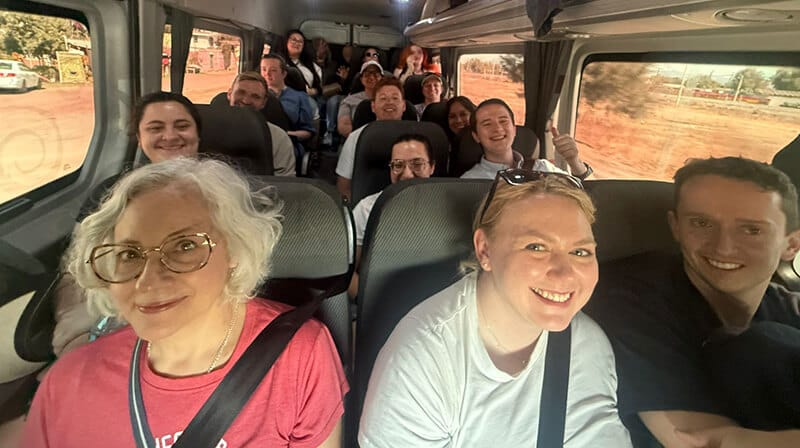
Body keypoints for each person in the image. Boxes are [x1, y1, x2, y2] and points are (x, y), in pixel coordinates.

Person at [22, 158, 348, 446]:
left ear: (234, 250)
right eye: (129, 254)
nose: (148, 280)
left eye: (185, 247)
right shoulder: (68, 384)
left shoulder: (300, 355)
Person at [359, 164, 632, 447]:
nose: (564, 273)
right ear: (485, 250)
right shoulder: (423, 360)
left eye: (580, 251)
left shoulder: (587, 346)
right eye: (536, 247)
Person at [584, 157, 800, 448]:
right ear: (675, 226)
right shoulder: (627, 297)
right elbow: (698, 443)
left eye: (751, 230)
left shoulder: (788, 307)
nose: (723, 246)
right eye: (701, 223)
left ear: (791, 245)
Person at [347, 134, 436, 298]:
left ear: (431, 167)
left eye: (417, 164)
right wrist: (368, 304)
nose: (407, 174)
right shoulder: (367, 208)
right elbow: (347, 271)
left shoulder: (446, 206)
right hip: (380, 301)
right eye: (398, 165)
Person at [461, 98, 592, 181]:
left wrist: (574, 161)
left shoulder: (542, 167)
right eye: (487, 124)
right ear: (476, 136)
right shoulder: (470, 181)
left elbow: (585, 193)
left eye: (503, 121)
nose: (497, 129)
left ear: (514, 130)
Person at [335, 77, 406, 200]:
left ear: (404, 105)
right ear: (373, 106)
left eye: (395, 98)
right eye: (383, 98)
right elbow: (344, 185)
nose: (389, 102)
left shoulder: (418, 138)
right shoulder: (356, 137)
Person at [226, 71, 297, 177]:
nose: (246, 101)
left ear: (263, 103)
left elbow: (285, 185)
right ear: (229, 94)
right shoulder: (207, 129)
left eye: (255, 97)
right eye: (241, 92)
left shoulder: (278, 138)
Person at [260, 55, 316, 174]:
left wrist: (284, 135)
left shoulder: (299, 97)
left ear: (284, 74)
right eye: (263, 69)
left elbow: (308, 132)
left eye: (273, 70)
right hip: (257, 141)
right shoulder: (254, 97)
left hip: (288, 142)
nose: (267, 74)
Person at [337, 60, 383, 138]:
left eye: (376, 74)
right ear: (361, 79)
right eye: (367, 74)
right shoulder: (349, 101)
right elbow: (343, 128)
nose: (371, 77)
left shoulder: (390, 100)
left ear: (382, 78)